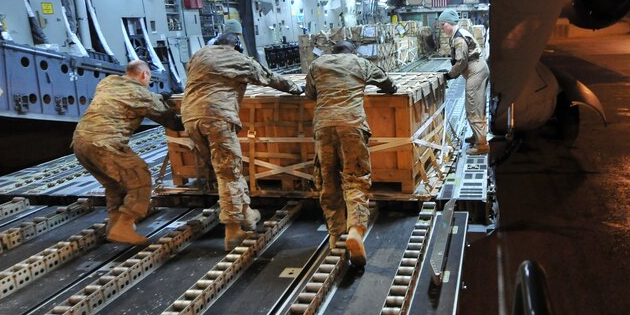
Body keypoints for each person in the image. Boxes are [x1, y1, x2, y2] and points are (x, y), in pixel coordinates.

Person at [181, 32, 302, 250]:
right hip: (217, 118)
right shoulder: (239, 60)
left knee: (220, 169)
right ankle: (233, 231)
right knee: (228, 172)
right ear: (236, 46)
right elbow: (269, 78)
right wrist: (297, 89)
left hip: (190, 117)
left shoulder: (198, 55)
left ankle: (246, 213)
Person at [305, 39, 397, 266]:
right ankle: (355, 231)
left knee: (328, 180)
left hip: (323, 126)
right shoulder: (361, 63)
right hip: (352, 126)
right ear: (353, 51)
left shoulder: (317, 64)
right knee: (355, 179)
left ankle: (336, 236)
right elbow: (388, 84)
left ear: (333, 51)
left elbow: (309, 94)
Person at [72, 59, 184, 245]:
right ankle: (124, 224)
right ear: (144, 75)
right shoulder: (141, 95)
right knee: (139, 177)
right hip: (106, 145)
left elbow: (129, 96)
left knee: (115, 185)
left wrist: (157, 97)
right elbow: (169, 120)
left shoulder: (108, 82)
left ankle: (115, 225)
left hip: (80, 144)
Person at [437, 9, 490, 153]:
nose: (442, 28)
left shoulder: (459, 38)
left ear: (450, 23)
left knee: (473, 106)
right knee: (475, 105)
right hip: (476, 70)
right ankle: (477, 136)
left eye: (443, 25)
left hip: (476, 71)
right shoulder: (457, 35)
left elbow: (461, 62)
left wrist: (449, 75)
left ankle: (482, 145)